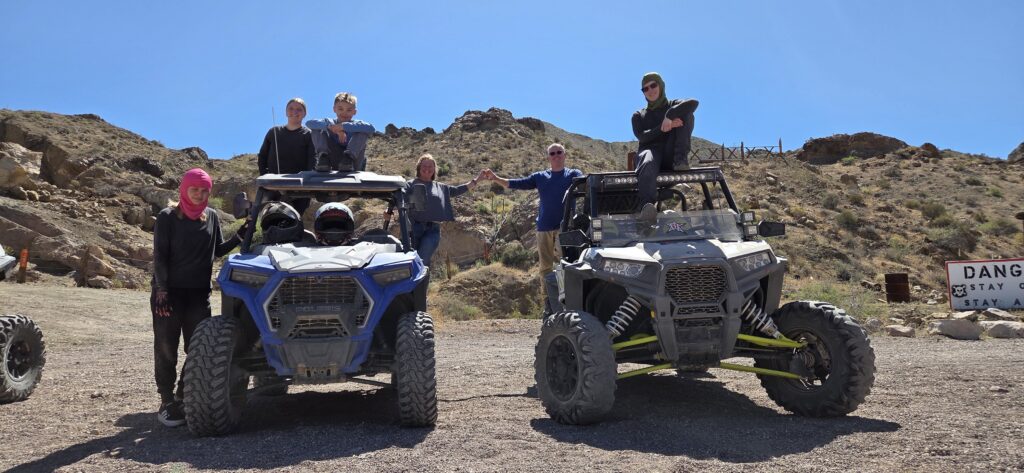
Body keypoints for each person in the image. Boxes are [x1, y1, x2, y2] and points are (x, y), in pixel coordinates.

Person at [151, 168, 246, 427]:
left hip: (198, 294)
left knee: (198, 348)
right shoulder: (167, 217)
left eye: (205, 190)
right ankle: (167, 401)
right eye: (195, 189)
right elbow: (159, 256)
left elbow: (216, 251)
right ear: (184, 189)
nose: (200, 194)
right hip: (168, 295)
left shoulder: (211, 217)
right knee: (166, 348)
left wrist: (239, 236)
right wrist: (161, 290)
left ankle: (184, 394)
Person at [483, 143, 583, 295]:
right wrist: (496, 178)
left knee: (566, 263)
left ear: (565, 155)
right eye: (552, 153)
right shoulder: (540, 177)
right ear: (548, 157)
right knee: (545, 267)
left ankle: (567, 298)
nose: (556, 155)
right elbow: (517, 183)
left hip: (565, 228)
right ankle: (548, 300)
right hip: (543, 228)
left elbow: (585, 186)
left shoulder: (573, 174)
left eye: (559, 152)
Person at [632, 72, 699, 222]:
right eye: (645, 89)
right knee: (647, 159)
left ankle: (681, 159)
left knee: (686, 114)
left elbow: (694, 103)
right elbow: (642, 136)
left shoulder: (672, 105)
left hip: (671, 154)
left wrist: (669, 115)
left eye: (653, 85)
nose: (650, 90)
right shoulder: (638, 115)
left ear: (661, 85)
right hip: (650, 152)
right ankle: (647, 208)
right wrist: (663, 126)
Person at [406, 154, 484, 267]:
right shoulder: (410, 184)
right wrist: (388, 211)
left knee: (421, 261)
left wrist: (477, 180)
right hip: (413, 228)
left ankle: (420, 283)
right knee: (410, 260)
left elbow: (457, 190)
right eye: (424, 166)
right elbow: (399, 198)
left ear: (434, 169)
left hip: (433, 230)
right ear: (419, 167)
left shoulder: (440, 187)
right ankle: (416, 283)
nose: (427, 168)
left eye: (430, 166)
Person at [258, 97, 317, 215]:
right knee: (271, 221)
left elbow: (313, 159)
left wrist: (306, 183)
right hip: (273, 187)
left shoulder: (309, 134)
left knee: (294, 221)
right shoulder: (273, 132)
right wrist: (266, 178)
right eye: (291, 108)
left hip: (300, 189)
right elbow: (262, 157)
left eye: (299, 109)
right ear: (286, 112)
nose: (294, 112)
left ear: (304, 114)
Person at [306, 92, 376, 172]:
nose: (344, 113)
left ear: (354, 112)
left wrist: (343, 127)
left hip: (353, 163)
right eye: (340, 109)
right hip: (331, 160)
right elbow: (309, 123)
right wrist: (332, 128)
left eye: (349, 110)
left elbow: (371, 128)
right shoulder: (329, 122)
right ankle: (324, 157)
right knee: (317, 129)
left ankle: (348, 159)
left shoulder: (357, 124)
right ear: (334, 109)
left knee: (362, 131)